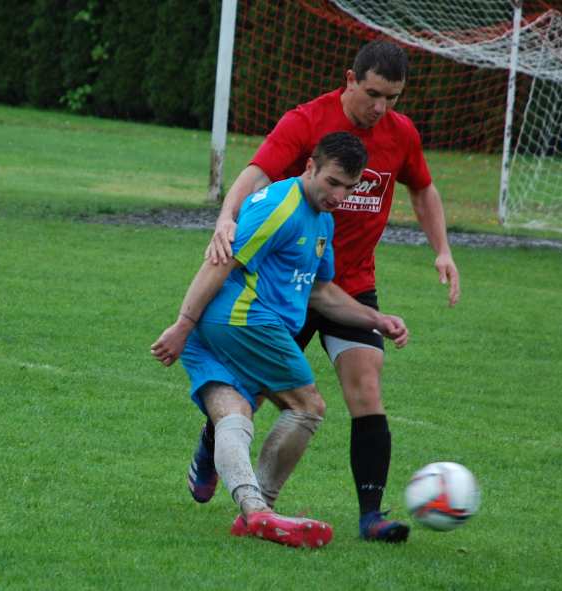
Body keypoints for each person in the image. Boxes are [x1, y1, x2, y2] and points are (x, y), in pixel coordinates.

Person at [188, 40, 460, 544]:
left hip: (347, 286)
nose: (381, 108)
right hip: (284, 286)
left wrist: (441, 249)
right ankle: (214, 440)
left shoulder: (400, 135)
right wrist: (226, 217)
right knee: (257, 392)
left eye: (393, 98)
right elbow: (257, 172)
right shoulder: (306, 121)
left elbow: (422, 187)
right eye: (374, 93)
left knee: (366, 388)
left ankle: (370, 516)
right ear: (350, 79)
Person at [151, 132, 409, 548]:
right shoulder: (280, 205)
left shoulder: (323, 220)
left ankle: (253, 513)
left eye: (349, 187)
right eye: (332, 182)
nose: (339, 195)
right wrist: (181, 324)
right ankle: (263, 507)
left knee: (233, 414)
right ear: (310, 167)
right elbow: (222, 262)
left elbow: (321, 292)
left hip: (217, 327)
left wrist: (374, 318)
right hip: (246, 320)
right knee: (308, 406)